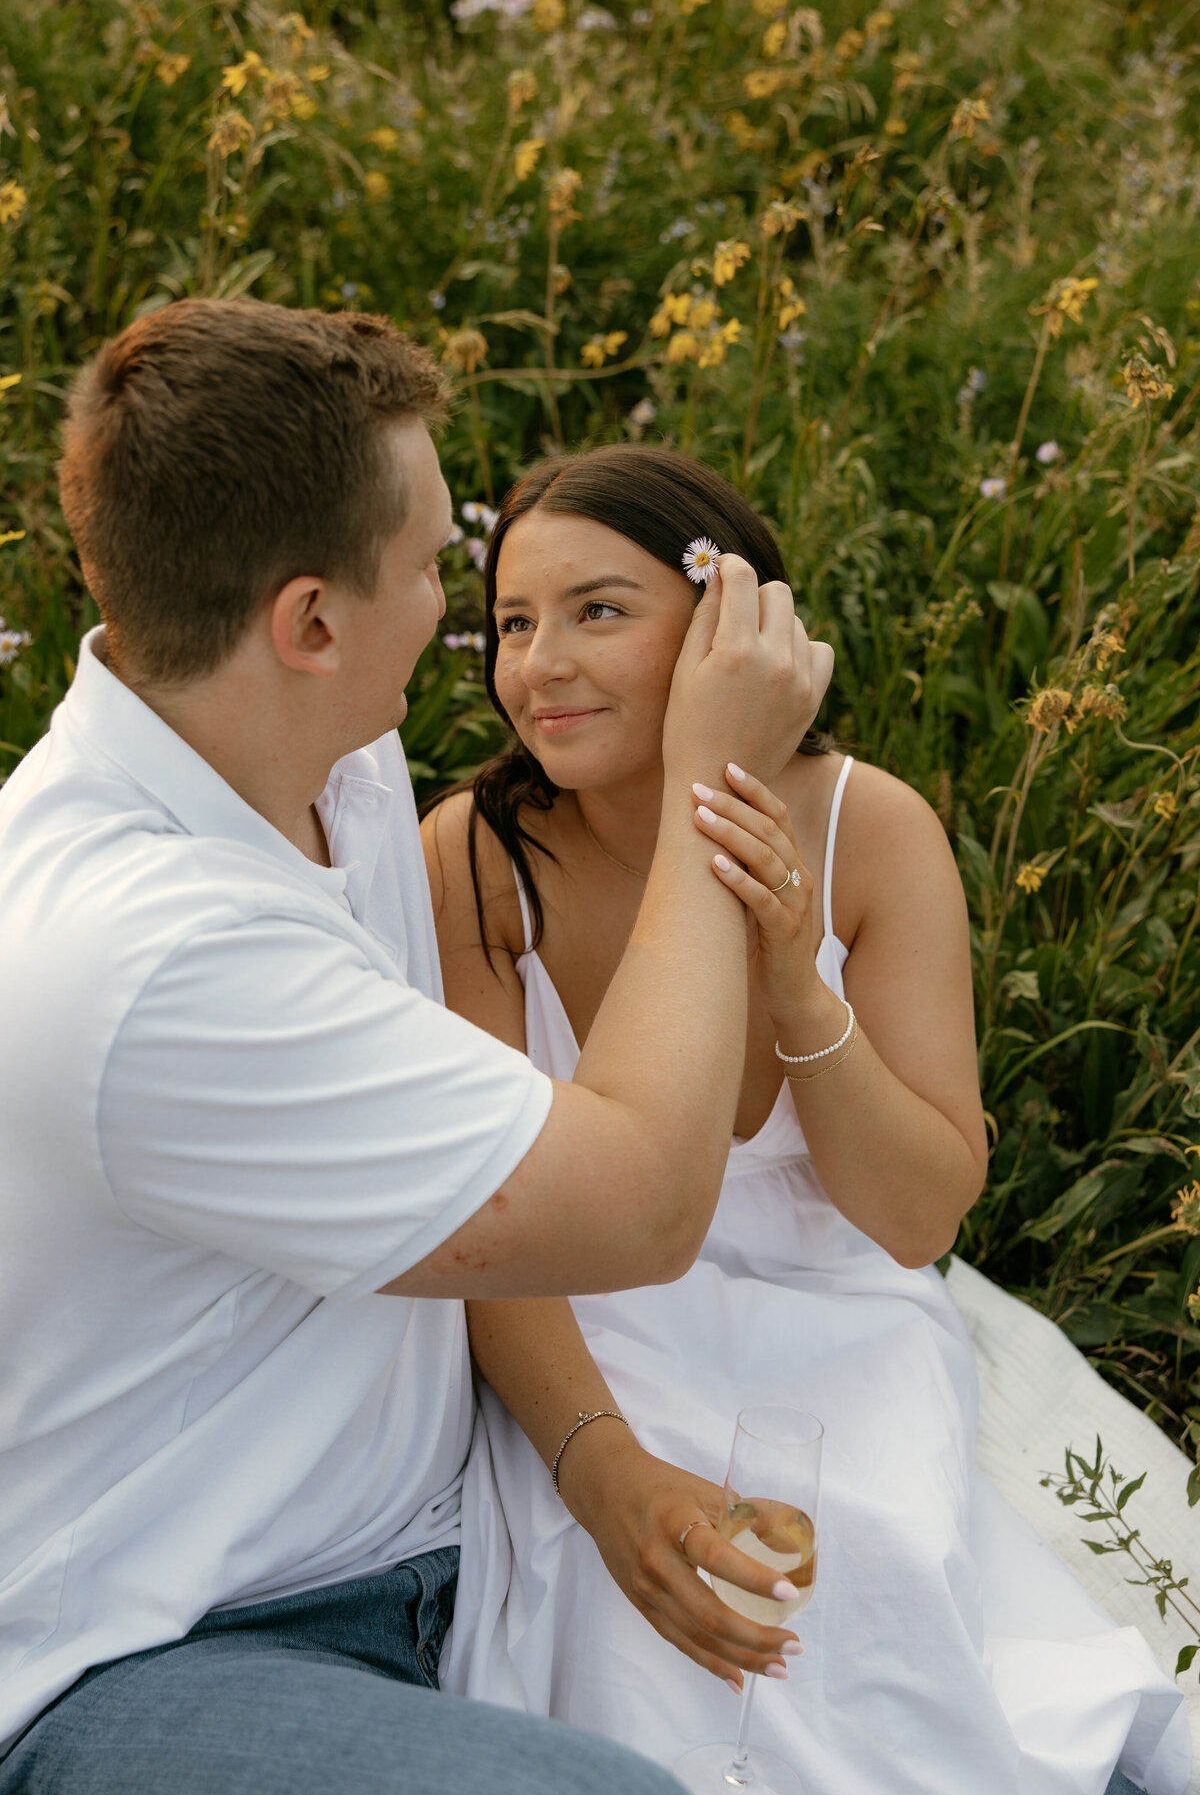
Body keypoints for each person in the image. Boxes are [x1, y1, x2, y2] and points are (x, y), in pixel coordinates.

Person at [0, 302, 835, 1794]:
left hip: (453, 1512)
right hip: (181, 1634)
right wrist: (715, 771)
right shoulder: (152, 957)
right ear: (311, 625)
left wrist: (592, 1464)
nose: (459, 601)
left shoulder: (325, 753)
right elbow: (640, 1199)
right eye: (437, 563)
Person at [427, 445, 1191, 1795]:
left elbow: (914, 1219)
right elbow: (488, 1231)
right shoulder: (478, 859)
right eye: (513, 623)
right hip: (593, 1324)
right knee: (616, 1616)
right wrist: (602, 1478)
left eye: (598, 611)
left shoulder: (868, 831)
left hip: (840, 1317)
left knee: (869, 1564)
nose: (539, 664)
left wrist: (791, 976)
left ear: (735, 626)